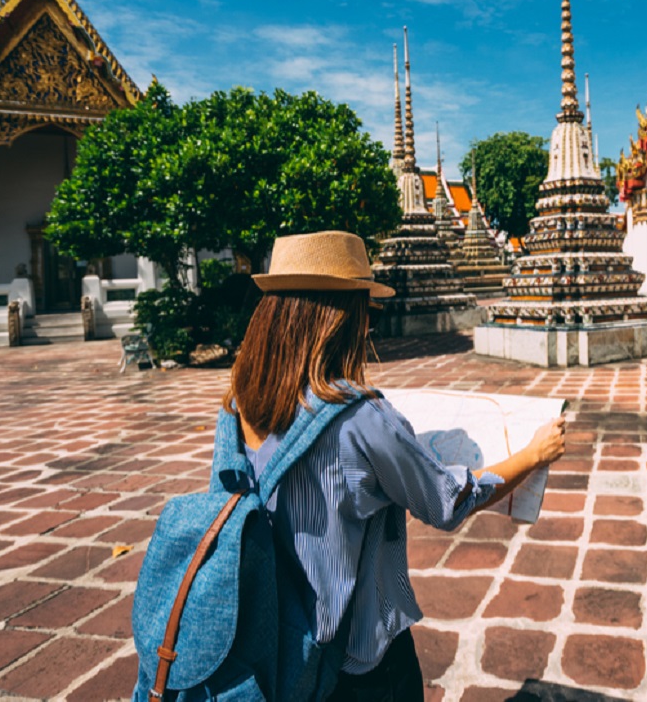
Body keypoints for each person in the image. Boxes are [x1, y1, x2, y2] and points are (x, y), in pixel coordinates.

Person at [225, 230, 566, 701]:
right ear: (344, 319)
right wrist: (533, 454)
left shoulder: (239, 404)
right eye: (365, 310)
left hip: (271, 639)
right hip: (355, 661)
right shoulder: (361, 418)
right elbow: (448, 502)